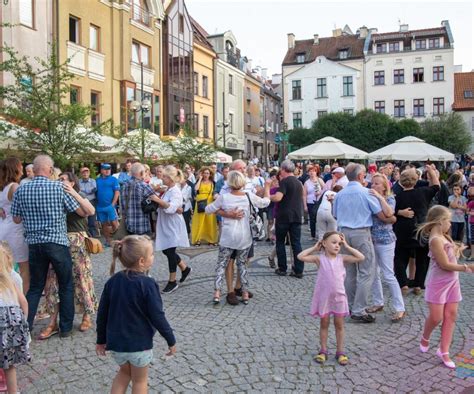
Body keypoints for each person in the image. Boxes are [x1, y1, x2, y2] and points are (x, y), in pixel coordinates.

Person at [11, 155, 91, 336]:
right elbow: (78, 211)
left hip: (35, 244)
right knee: (66, 284)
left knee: (35, 287)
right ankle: (65, 328)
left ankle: (27, 326)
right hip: (57, 243)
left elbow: (16, 219)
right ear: (49, 169)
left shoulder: (22, 189)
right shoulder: (58, 187)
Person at [96, 235, 176, 393]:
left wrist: (101, 340)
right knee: (140, 380)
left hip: (117, 345)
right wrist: (170, 339)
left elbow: (102, 314)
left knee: (124, 374)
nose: (153, 256)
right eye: (152, 254)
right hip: (140, 345)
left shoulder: (112, 282)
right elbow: (157, 315)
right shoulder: (148, 284)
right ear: (141, 261)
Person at [37, 172, 98, 339]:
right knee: (54, 282)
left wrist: (73, 192)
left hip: (77, 241)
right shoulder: (55, 195)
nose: (60, 182)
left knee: (81, 278)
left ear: (72, 182)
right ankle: (53, 321)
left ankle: (87, 315)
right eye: (59, 179)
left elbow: (89, 211)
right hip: (57, 241)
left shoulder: (79, 195)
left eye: (63, 179)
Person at [416, 205, 473, 369]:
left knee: (451, 315)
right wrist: (467, 268)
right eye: (448, 220)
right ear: (440, 221)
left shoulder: (445, 236)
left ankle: (444, 350)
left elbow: (451, 256)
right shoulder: (435, 240)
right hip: (438, 283)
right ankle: (425, 337)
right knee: (436, 317)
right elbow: (444, 264)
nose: (450, 223)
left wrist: (457, 249)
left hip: (452, 282)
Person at [332, 163, 388, 323]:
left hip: (343, 233)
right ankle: (359, 309)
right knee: (366, 271)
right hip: (361, 232)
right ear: (360, 176)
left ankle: (349, 305)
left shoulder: (340, 194)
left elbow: (334, 214)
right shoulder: (366, 193)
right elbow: (380, 213)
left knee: (350, 272)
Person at [298, 232, 364, 366]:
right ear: (324, 244)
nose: (337, 246)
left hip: (339, 298)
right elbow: (300, 256)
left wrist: (346, 245)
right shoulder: (319, 259)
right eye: (334, 242)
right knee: (324, 324)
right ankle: (323, 350)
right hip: (324, 298)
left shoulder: (342, 258)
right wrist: (315, 248)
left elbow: (360, 257)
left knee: (339, 325)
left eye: (339, 243)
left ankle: (340, 351)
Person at [205, 171, 270, 305]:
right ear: (242, 182)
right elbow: (265, 202)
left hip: (228, 237)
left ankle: (217, 292)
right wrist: (267, 187)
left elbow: (208, 209)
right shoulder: (248, 196)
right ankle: (244, 293)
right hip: (244, 237)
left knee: (221, 264)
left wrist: (224, 212)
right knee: (242, 265)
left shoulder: (224, 197)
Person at [393, 165, 440, 295]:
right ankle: (419, 284)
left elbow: (390, 211)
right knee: (423, 258)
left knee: (400, 257)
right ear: (416, 180)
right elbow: (436, 186)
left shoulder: (397, 196)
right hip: (421, 228)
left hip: (403, 230)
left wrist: (398, 212)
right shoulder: (423, 192)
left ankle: (403, 284)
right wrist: (430, 171)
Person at [367, 174, 406, 322]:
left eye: (377, 184)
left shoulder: (390, 198)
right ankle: (378, 302)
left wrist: (380, 198)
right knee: (374, 272)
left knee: (389, 274)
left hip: (386, 240)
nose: (373, 186)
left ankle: (400, 308)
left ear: (384, 186)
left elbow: (389, 213)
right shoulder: (369, 198)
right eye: (372, 183)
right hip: (372, 239)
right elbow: (387, 217)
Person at [154, 166, 192, 294]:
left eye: (164, 176)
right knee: (166, 249)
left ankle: (172, 281)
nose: (162, 178)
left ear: (170, 178)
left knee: (170, 251)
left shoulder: (175, 191)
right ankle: (184, 268)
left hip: (172, 224)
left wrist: (157, 200)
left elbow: (172, 208)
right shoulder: (167, 189)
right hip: (166, 223)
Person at [0, 242, 30, 393]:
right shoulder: (12, 278)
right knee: (9, 365)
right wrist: (24, 324)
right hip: (13, 323)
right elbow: (23, 302)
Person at [271, 160, 305, 278]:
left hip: (284, 216)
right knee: (296, 243)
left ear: (283, 169)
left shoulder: (285, 182)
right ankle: (298, 270)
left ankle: (282, 268)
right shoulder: (298, 182)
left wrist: (268, 196)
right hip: (296, 216)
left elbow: (278, 198)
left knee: (280, 242)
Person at [0, 157, 29, 293]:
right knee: (24, 268)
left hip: (3, 227)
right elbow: (24, 209)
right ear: (15, 169)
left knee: (6, 266)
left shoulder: (2, 187)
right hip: (15, 230)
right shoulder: (15, 187)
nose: (22, 169)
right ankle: (22, 303)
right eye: (20, 166)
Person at [121, 163, 157, 236]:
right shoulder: (143, 185)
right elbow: (156, 199)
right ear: (141, 173)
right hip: (142, 225)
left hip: (129, 225)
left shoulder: (125, 185)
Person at [191, 167, 218, 246]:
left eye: (207, 173)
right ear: (202, 173)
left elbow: (214, 193)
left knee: (210, 221)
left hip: (209, 202)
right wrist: (200, 179)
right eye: (204, 173)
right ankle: (197, 239)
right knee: (199, 221)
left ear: (210, 174)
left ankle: (211, 239)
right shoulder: (199, 181)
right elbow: (195, 189)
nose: (206, 175)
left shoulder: (213, 182)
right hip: (200, 203)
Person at [96, 163, 120, 247]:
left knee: (114, 223)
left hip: (110, 206)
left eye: (109, 169)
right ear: (101, 170)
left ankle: (118, 241)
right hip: (100, 206)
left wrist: (113, 204)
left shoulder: (114, 179)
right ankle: (108, 241)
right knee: (104, 224)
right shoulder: (97, 180)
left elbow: (117, 192)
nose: (107, 171)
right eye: (105, 169)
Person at [303, 165, 325, 240]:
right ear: (308, 173)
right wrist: (305, 205)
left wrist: (320, 192)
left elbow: (325, 189)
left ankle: (320, 234)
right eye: (310, 171)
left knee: (319, 218)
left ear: (316, 172)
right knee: (312, 219)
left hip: (319, 202)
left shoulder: (319, 180)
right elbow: (304, 195)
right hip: (310, 202)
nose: (312, 173)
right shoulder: (306, 183)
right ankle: (313, 235)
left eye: (314, 171)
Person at [79, 167, 98, 238]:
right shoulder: (78, 181)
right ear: (81, 174)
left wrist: (83, 192)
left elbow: (94, 190)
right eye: (83, 172)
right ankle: (84, 237)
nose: (85, 173)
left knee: (92, 221)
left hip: (91, 201)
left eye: (86, 172)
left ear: (89, 173)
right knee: (82, 220)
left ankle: (93, 238)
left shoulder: (93, 181)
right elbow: (78, 191)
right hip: (82, 202)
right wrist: (87, 192)